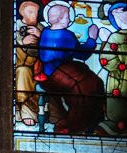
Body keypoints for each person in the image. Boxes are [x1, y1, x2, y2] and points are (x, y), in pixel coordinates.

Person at [36, 0, 105, 134]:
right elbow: (83, 55)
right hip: (58, 73)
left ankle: (88, 120)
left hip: (50, 70)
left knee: (87, 80)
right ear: (60, 19)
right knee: (84, 86)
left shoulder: (46, 32)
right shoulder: (66, 35)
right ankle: (77, 124)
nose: (70, 19)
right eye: (68, 16)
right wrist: (92, 38)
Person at [96, 2, 127, 136]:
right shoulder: (118, 36)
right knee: (122, 100)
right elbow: (107, 59)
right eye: (119, 15)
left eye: (125, 14)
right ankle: (119, 123)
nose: (124, 18)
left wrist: (119, 66)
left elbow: (106, 59)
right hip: (126, 76)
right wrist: (120, 66)